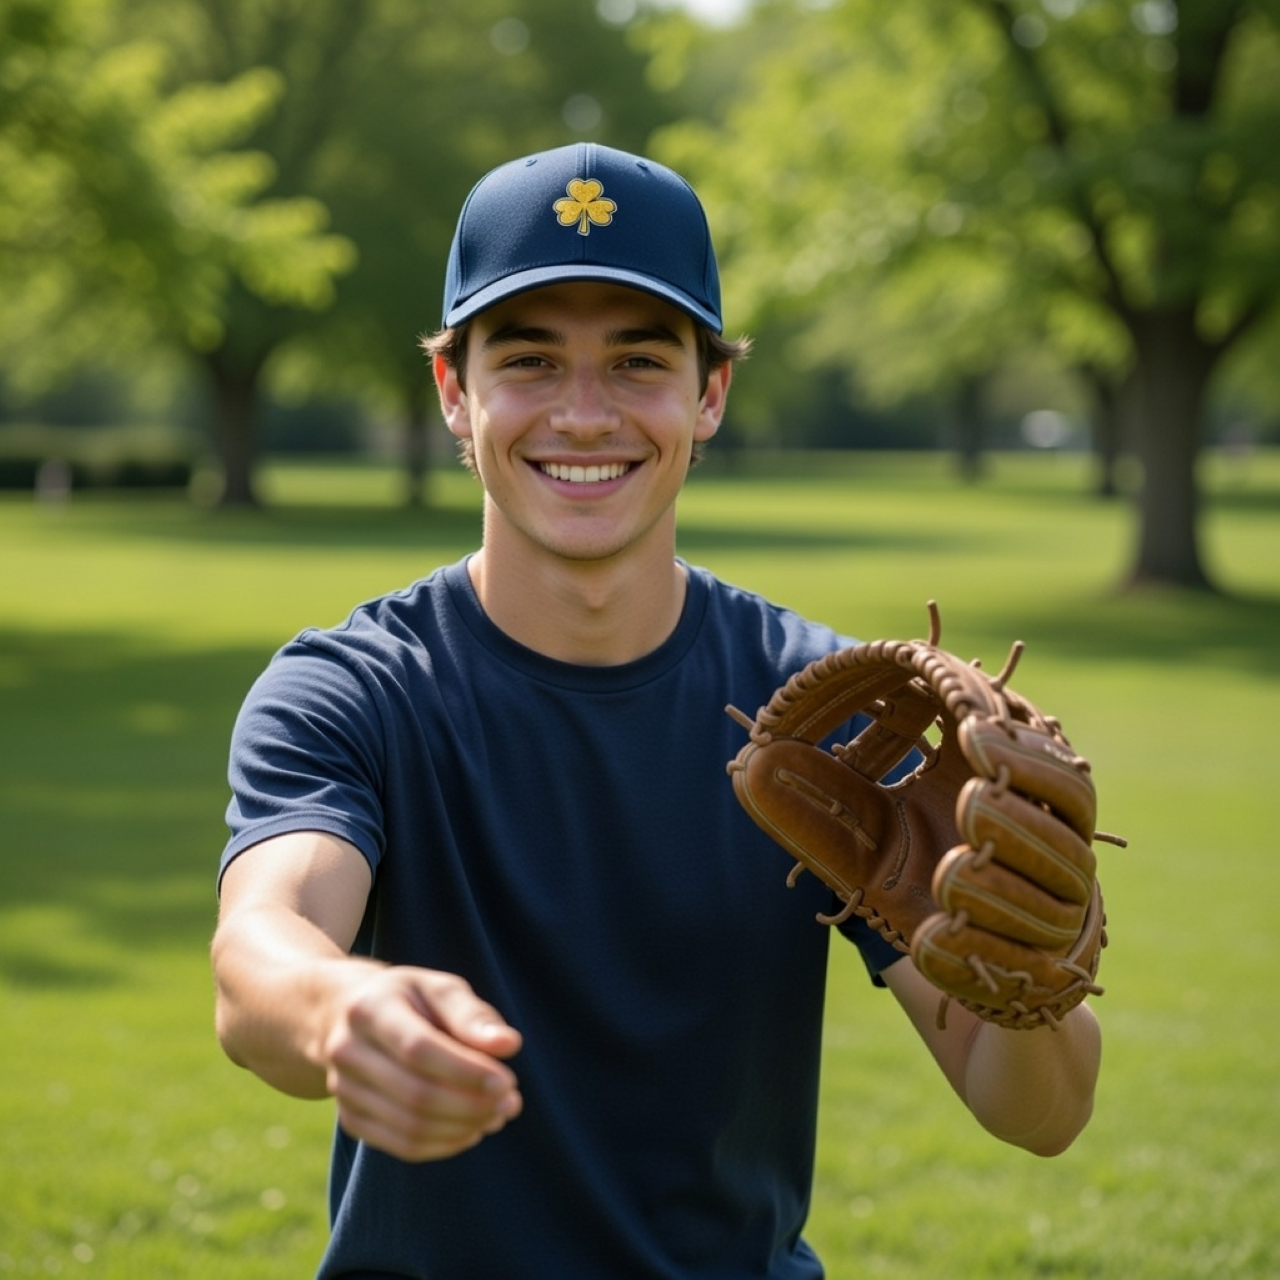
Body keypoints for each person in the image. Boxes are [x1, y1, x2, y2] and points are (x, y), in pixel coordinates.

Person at [212, 142, 1101, 1279]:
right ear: (453, 392)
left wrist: (1023, 971)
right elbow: (258, 953)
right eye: (530, 359)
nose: (583, 415)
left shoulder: (833, 717)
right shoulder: (355, 688)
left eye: (636, 361)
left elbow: (1040, 1114)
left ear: (709, 392)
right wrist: (341, 1007)